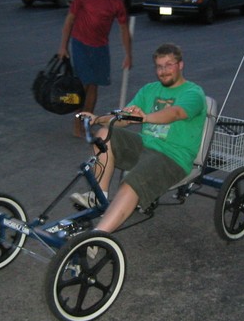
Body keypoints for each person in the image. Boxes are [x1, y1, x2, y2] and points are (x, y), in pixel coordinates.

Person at [71, 43, 206, 234]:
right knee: (104, 134)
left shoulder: (193, 93)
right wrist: (98, 119)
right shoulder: (149, 90)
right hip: (145, 146)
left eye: (169, 65)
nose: (163, 71)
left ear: (180, 65)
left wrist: (146, 117)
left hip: (172, 156)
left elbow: (175, 113)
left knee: (131, 183)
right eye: (159, 66)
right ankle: (97, 196)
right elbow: (123, 118)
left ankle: (98, 237)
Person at [57, 0, 133, 137]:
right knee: (83, 85)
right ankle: (77, 124)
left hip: (100, 48)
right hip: (80, 44)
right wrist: (63, 46)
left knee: (93, 87)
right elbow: (69, 20)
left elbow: (124, 30)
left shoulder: (117, 2)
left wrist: (128, 55)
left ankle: (86, 122)